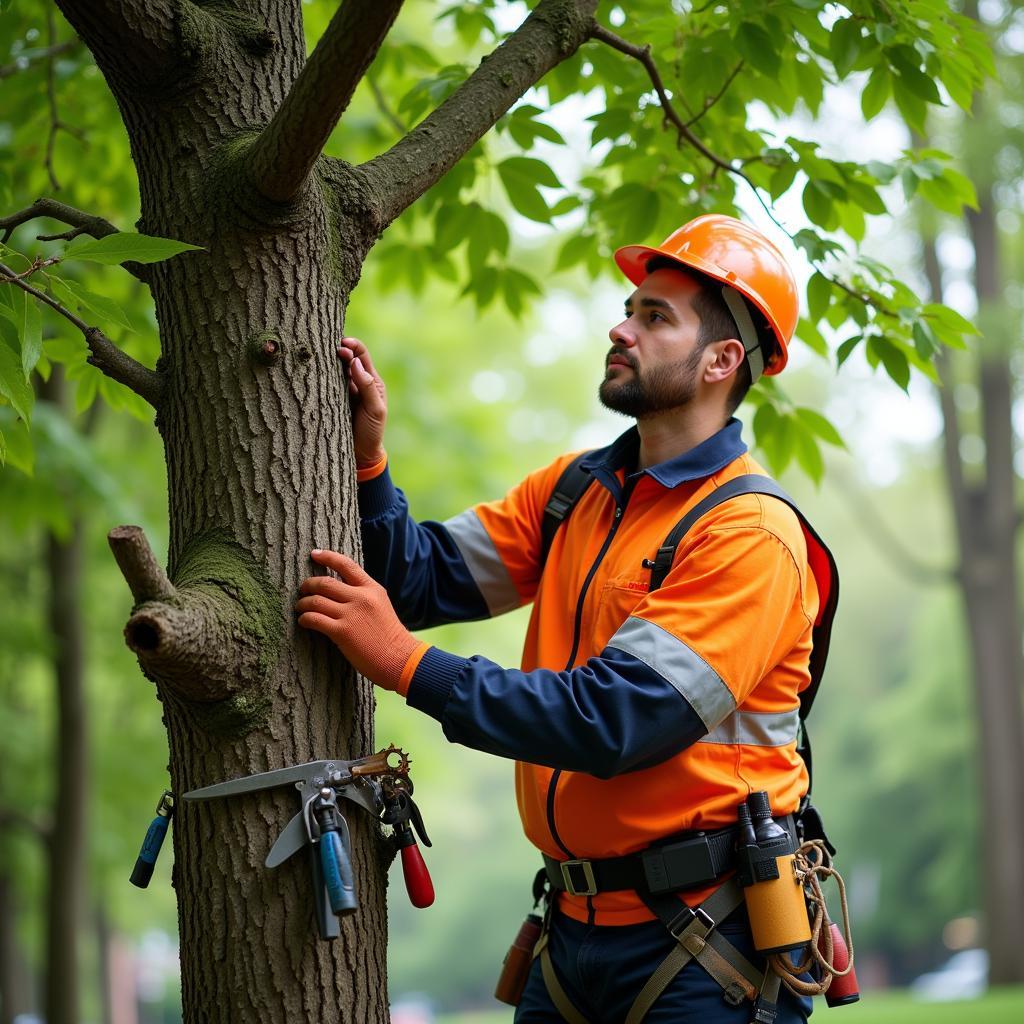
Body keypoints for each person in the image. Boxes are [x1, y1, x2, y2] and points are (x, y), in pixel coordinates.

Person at [295, 215, 836, 1022]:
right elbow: (420, 577)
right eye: (630, 307)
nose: (621, 328)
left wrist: (409, 666)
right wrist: (368, 465)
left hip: (702, 947)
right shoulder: (576, 490)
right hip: (569, 934)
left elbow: (618, 718)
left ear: (723, 360)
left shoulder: (750, 534)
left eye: (656, 317)